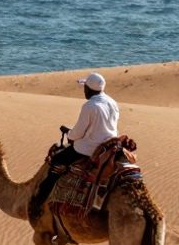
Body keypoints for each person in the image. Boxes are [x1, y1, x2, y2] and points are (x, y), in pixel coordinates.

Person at [30, 72, 120, 219]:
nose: (84, 90)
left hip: (90, 148)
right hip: (109, 147)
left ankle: (38, 203)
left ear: (89, 89)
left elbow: (77, 133)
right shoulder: (113, 103)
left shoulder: (90, 106)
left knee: (56, 161)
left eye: (85, 87)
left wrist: (69, 133)